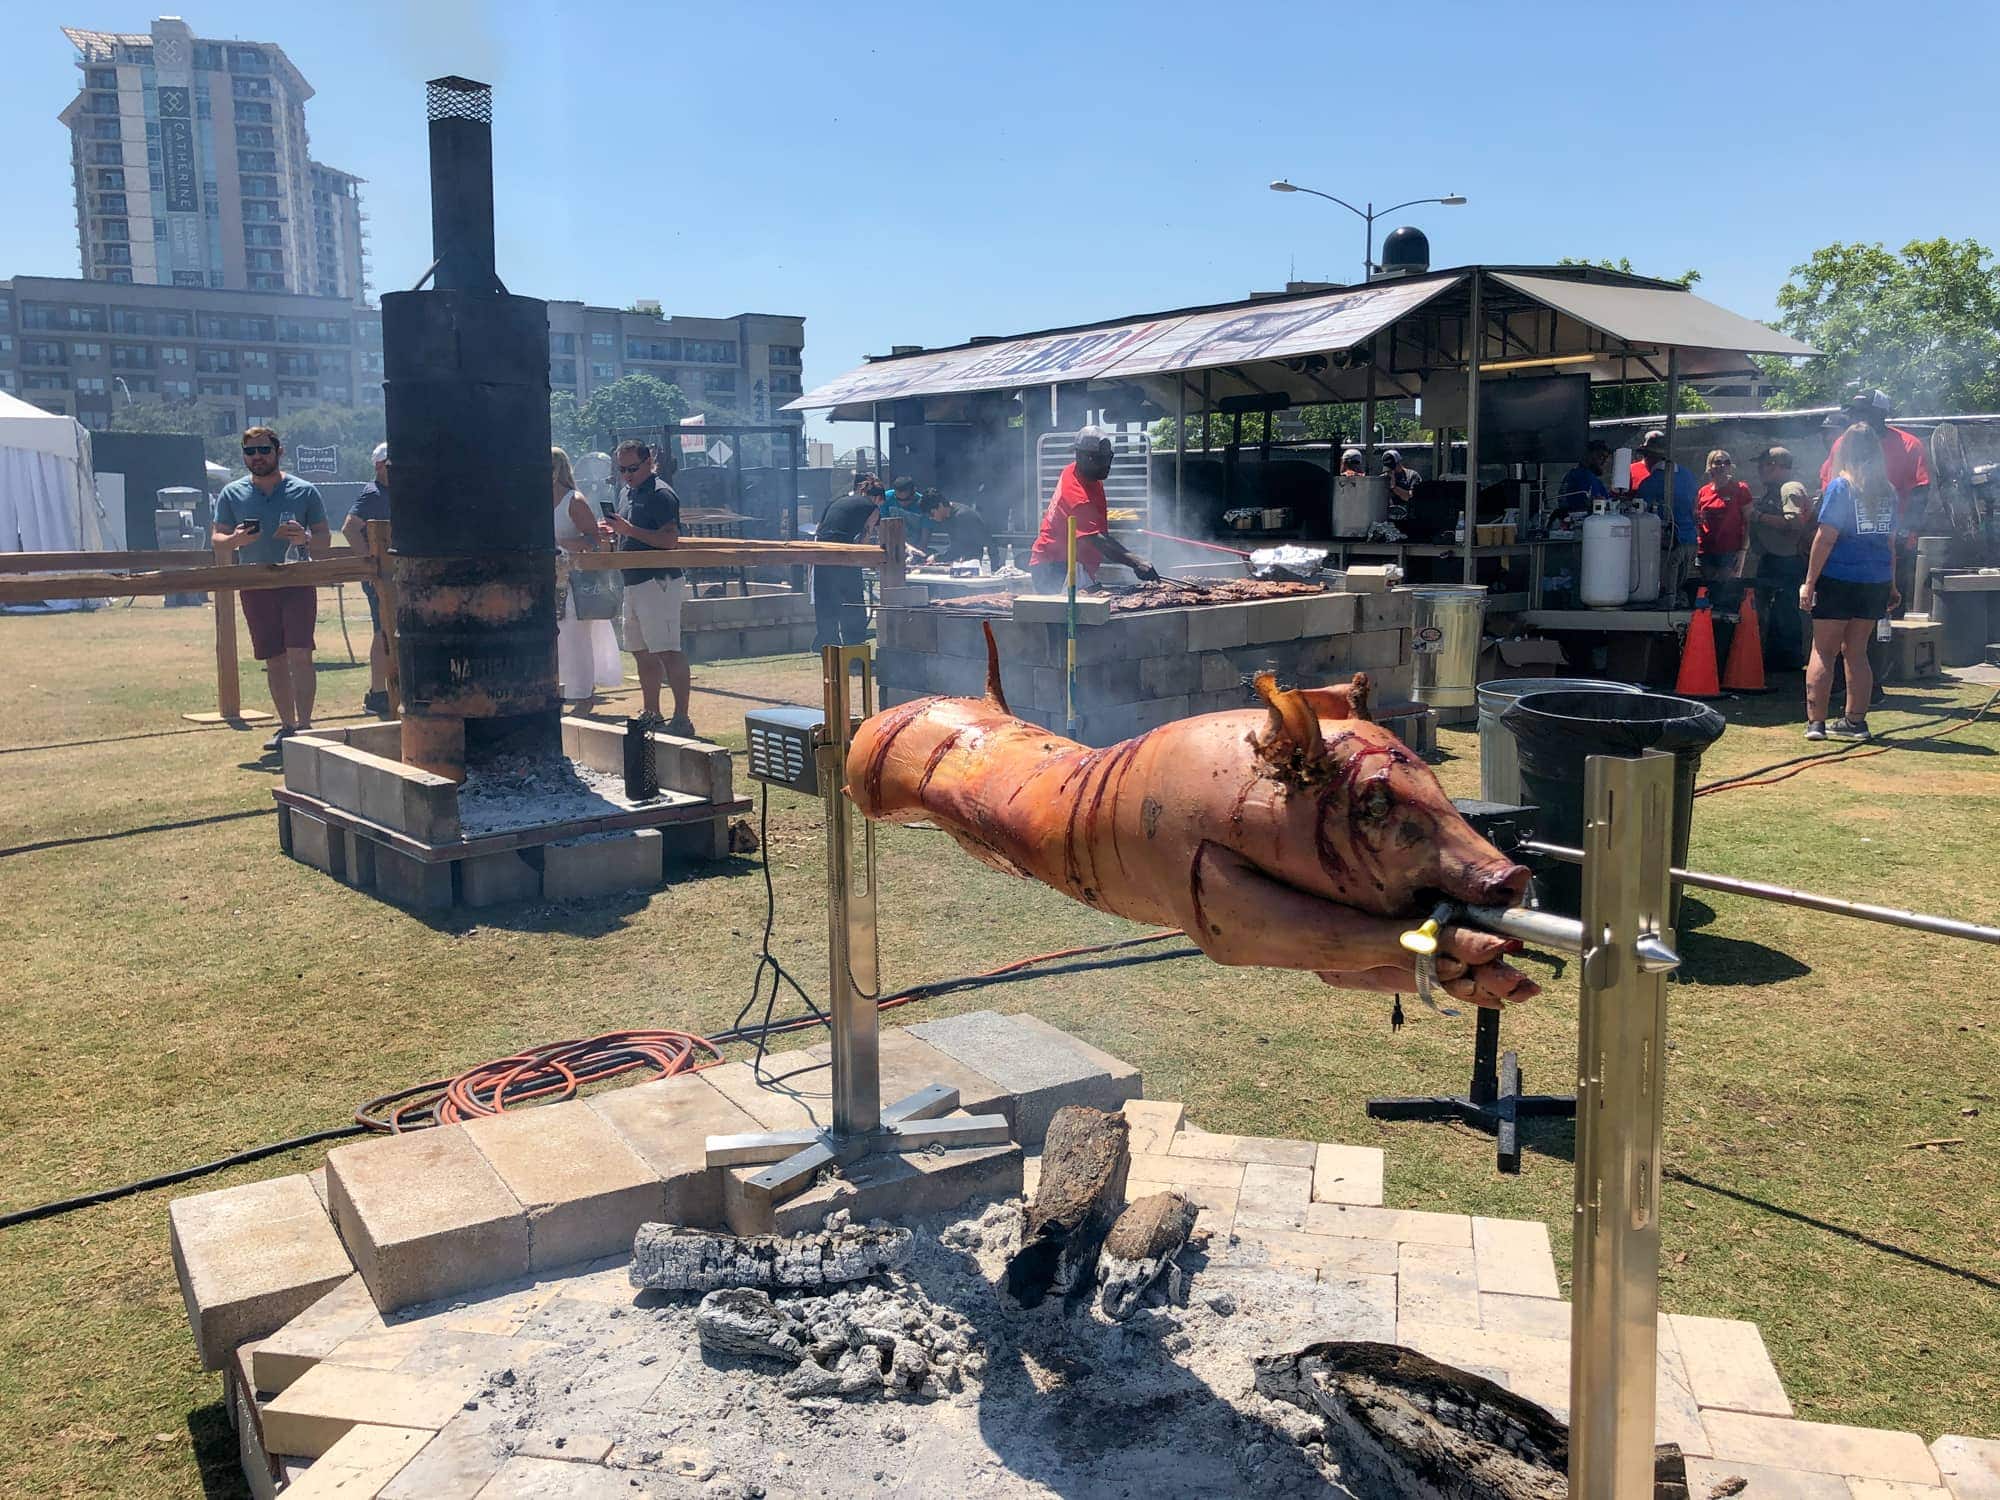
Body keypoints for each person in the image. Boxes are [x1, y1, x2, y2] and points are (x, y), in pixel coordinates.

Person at [211, 426, 331, 751]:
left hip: (296, 581)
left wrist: (305, 538)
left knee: (300, 654)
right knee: (274, 658)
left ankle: (306, 728)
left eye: (264, 450)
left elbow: (325, 538)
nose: (257, 457)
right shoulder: (231, 493)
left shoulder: (305, 491)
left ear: (279, 451)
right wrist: (235, 540)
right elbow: (217, 539)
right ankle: (287, 727)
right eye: (250, 452)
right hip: (255, 584)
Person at [1818, 387, 1931, 706]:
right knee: (1839, 622)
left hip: (1887, 544)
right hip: (1845, 547)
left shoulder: (1909, 444)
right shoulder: (1845, 442)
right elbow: (1829, 485)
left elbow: (1922, 492)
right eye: (1855, 411)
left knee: (1878, 619)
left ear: (1883, 414)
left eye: (1864, 411)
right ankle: (1841, 684)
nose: (1857, 416)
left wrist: (1908, 534)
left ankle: (1876, 680)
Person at [1801, 422, 1900, 741]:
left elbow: (1826, 537)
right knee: (1857, 651)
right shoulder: (1888, 491)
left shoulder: (1840, 487)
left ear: (1845, 450)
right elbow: (1890, 543)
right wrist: (1893, 585)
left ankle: (1816, 723)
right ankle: (1856, 721)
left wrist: (1809, 581)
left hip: (1839, 578)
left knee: (1823, 650)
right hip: (1875, 581)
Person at [602, 439, 694, 736]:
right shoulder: (627, 492)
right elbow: (630, 533)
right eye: (622, 469)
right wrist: (615, 532)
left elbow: (669, 540)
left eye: (632, 468)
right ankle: (652, 712)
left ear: (648, 462)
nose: (627, 474)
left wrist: (628, 530)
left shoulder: (661, 493)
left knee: (668, 650)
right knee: (641, 651)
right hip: (634, 580)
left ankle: (682, 717)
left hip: (659, 581)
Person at [1027, 428, 1159, 591]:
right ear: (1080, 456)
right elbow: (1097, 540)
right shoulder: (1076, 496)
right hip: (1054, 566)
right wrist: (1136, 562)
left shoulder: (1078, 472)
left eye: (1109, 457)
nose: (1107, 465)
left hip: (1071, 563)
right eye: (1100, 459)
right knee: (1066, 615)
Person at [552, 445, 621, 711]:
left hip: (573, 580)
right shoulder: (535, 501)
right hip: (549, 578)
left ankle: (584, 696)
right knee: (557, 639)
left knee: (576, 637)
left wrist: (560, 543)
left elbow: (593, 539)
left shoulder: (574, 500)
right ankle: (561, 691)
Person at [1748, 447, 1814, 670]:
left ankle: (1787, 662)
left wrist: (1758, 516)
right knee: (1777, 612)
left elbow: (1794, 523)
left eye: (1764, 464)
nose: (1759, 469)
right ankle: (1778, 658)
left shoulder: (1789, 488)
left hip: (1786, 561)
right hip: (1776, 560)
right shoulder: (1776, 490)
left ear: (1776, 466)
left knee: (1785, 611)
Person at [341, 442, 393, 717]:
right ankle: (377, 692)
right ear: (378, 465)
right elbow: (350, 528)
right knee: (381, 631)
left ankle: (385, 690)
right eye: (389, 463)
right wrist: (371, 565)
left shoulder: (391, 492)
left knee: (388, 630)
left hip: (392, 574)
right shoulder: (373, 493)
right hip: (380, 575)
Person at [812, 475, 882, 648]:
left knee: (826, 601)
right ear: (877, 498)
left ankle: (827, 645)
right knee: (852, 600)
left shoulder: (837, 501)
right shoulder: (872, 507)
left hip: (819, 552)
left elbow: (819, 530)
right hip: (844, 554)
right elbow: (864, 540)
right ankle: (854, 644)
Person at [1632, 432, 1699, 604]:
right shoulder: (1689, 476)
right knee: (1679, 589)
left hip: (1667, 546)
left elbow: (1639, 516)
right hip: (1690, 542)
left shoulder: (1649, 484)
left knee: (1665, 595)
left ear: (1649, 457)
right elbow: (1694, 508)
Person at [1694, 449, 1754, 582]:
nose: (1722, 466)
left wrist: (1743, 551)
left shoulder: (1740, 489)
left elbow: (1749, 521)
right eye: (1718, 462)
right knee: (1711, 591)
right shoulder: (1703, 492)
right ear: (1710, 466)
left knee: (1727, 592)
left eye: (1726, 462)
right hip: (1706, 551)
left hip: (1729, 551)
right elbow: (1698, 519)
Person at [918, 491, 994, 567]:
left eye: (932, 514)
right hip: (971, 561)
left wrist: (937, 557)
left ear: (940, 505)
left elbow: (959, 548)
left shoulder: (961, 516)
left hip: (985, 562)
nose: (931, 518)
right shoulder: (947, 516)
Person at [1552, 440, 1612, 526]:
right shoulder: (1585, 476)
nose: (1603, 462)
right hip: (1586, 526)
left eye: (1606, 458)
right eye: (1601, 457)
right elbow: (1599, 504)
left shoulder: (1572, 474)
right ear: (1588, 455)